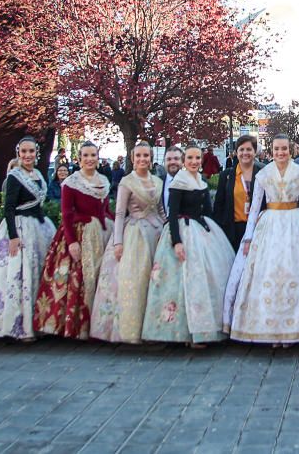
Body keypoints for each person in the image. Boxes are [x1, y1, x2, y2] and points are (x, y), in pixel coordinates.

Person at [228, 134, 299, 344]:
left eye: (284, 149)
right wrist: (248, 236)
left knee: (295, 274)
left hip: (296, 226)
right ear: (271, 151)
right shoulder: (264, 174)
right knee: (268, 273)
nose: (281, 153)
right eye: (277, 149)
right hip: (269, 225)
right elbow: (254, 208)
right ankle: (269, 330)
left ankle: (296, 329)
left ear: (291, 150)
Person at [142, 145, 234, 346]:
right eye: (190, 158)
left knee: (204, 280)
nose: (194, 161)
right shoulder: (179, 182)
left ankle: (201, 329)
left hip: (201, 230)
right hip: (183, 232)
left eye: (197, 158)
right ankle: (185, 333)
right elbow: (172, 214)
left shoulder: (200, 181)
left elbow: (207, 211)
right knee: (183, 283)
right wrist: (176, 242)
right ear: (184, 160)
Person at [34, 141, 113, 339]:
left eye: (93, 155)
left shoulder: (103, 180)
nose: (89, 159)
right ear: (79, 158)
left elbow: (106, 210)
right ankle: (76, 326)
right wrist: (71, 242)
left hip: (102, 234)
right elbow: (66, 214)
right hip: (79, 233)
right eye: (85, 155)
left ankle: (98, 325)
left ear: (98, 157)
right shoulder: (71, 183)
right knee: (78, 279)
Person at [0, 136, 57, 341]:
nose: (27, 155)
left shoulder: (38, 174)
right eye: (23, 152)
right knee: (21, 274)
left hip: (39, 226)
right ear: (18, 153)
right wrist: (13, 237)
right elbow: (9, 208)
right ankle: (20, 326)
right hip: (20, 228)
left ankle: (39, 321)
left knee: (38, 273)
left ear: (36, 153)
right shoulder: (14, 176)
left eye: (31, 151)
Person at [90, 142, 165, 343]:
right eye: (139, 156)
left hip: (156, 233)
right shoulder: (127, 182)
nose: (143, 159)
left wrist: (167, 229)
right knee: (136, 279)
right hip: (135, 234)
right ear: (133, 158)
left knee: (156, 280)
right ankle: (132, 329)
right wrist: (118, 242)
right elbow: (120, 213)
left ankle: (153, 328)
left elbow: (160, 210)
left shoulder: (158, 181)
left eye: (146, 156)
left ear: (150, 157)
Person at [212, 135, 263, 250]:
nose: (245, 153)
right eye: (241, 149)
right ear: (236, 152)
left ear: (255, 152)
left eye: (249, 149)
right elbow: (218, 206)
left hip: (258, 231)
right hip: (232, 231)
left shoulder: (263, 173)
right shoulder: (226, 176)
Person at [159, 147, 184, 214]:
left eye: (176, 158)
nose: (172, 162)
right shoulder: (157, 182)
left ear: (182, 162)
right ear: (164, 162)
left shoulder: (192, 182)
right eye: (169, 159)